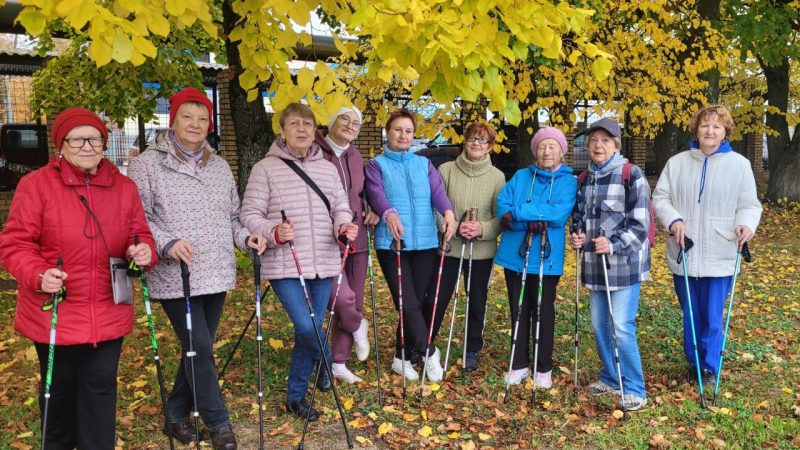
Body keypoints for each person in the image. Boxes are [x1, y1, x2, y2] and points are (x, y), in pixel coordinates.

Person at [0, 107, 156, 449]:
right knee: (59, 395)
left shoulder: (124, 187)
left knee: (100, 390)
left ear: (105, 142)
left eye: (95, 138)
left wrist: (143, 250)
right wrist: (38, 274)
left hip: (108, 309)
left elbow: (140, 233)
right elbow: (14, 244)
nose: (87, 146)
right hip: (56, 309)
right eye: (77, 139)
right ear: (61, 145)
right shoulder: (36, 185)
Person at [128, 87, 265, 450]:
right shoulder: (147, 163)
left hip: (216, 269)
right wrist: (166, 242)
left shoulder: (218, 165)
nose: (195, 124)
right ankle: (217, 420)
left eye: (203, 118)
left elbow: (233, 215)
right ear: (172, 120)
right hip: (177, 274)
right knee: (200, 346)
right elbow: (137, 216)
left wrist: (245, 238)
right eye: (187, 116)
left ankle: (175, 412)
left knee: (195, 348)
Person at [240, 102, 357, 421]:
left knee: (310, 329)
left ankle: (295, 397)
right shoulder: (265, 169)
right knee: (306, 327)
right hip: (285, 265)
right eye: (294, 123)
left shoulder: (328, 169)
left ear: (315, 129)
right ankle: (328, 358)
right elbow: (249, 215)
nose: (302, 129)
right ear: (282, 130)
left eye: (308, 123)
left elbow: (340, 208)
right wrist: (273, 231)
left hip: (324, 263)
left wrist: (343, 227)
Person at [652, 105, 761, 384]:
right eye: (705, 125)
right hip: (685, 250)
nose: (710, 131)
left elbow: (749, 204)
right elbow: (660, 198)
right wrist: (673, 219)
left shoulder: (740, 165)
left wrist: (745, 224)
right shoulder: (677, 163)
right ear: (696, 130)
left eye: (716, 126)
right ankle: (694, 362)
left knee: (712, 315)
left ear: (725, 132)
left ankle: (710, 366)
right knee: (690, 313)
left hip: (721, 250)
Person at [365, 108, 457, 382]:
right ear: (387, 132)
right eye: (397, 130)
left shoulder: (423, 164)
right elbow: (376, 193)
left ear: (414, 136)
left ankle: (400, 357)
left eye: (408, 131)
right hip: (393, 243)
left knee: (415, 302)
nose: (403, 135)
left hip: (426, 242)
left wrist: (448, 212)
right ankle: (429, 352)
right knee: (406, 300)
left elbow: (437, 192)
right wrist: (389, 213)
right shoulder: (375, 165)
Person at [569, 118, 650, 411]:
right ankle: (611, 377)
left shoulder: (632, 174)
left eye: (605, 140)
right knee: (599, 324)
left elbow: (641, 225)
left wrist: (613, 243)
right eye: (593, 141)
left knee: (621, 326)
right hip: (594, 265)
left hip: (624, 265)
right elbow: (578, 217)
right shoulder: (585, 178)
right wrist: (576, 235)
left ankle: (635, 388)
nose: (598, 145)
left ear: (616, 144)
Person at [495, 127, 576, 387]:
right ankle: (519, 364)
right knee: (518, 309)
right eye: (542, 146)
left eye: (553, 146)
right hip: (515, 255)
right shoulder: (520, 176)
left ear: (562, 151)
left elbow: (558, 214)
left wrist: (519, 214)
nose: (547, 151)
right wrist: (527, 220)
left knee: (542, 310)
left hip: (546, 256)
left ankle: (543, 368)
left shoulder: (568, 181)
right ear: (535, 150)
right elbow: (502, 209)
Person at [429, 121, 505, 373]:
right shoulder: (446, 170)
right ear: (465, 141)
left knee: (477, 300)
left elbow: (500, 218)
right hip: (449, 247)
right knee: (438, 297)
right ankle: (426, 344)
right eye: (472, 138)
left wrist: (481, 228)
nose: (476, 143)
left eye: (483, 140)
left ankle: (472, 348)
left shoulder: (497, 177)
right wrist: (447, 226)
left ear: (490, 147)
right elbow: (436, 206)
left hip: (480, 252)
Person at [314, 106, 380, 384]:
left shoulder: (356, 156)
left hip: (358, 236)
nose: (350, 125)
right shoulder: (314, 153)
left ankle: (339, 362)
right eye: (344, 118)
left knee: (356, 295)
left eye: (356, 122)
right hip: (324, 238)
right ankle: (357, 324)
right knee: (341, 298)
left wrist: (372, 207)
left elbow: (362, 192)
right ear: (331, 121)